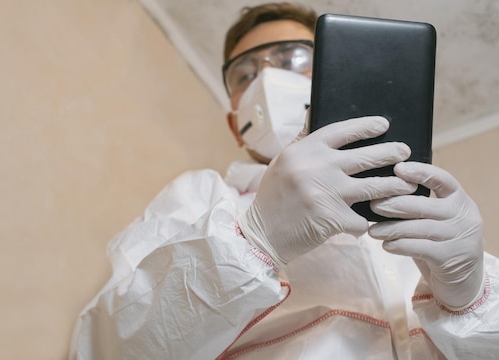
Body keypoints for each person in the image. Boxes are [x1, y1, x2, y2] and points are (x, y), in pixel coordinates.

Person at [70, 3, 499, 359]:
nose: (268, 79)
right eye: (245, 73)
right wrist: (253, 238)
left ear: (337, 71)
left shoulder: (421, 201)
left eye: (294, 58)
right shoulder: (200, 196)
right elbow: (106, 347)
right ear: (235, 122)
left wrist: (470, 298)